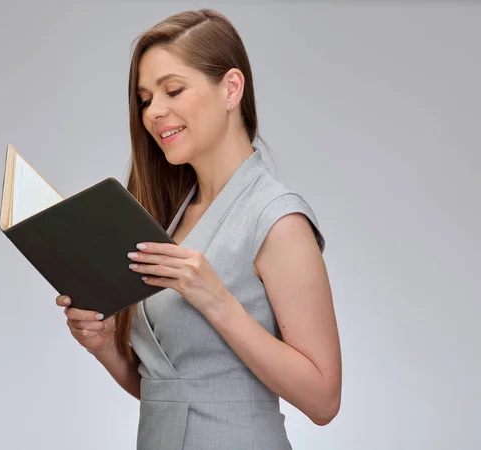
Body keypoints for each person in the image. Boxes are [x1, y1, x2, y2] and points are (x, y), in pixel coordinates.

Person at [56, 8, 342, 450]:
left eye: (173, 90)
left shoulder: (278, 220)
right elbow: (173, 393)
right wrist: (106, 348)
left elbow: (324, 401)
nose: (154, 112)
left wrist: (218, 303)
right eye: (146, 98)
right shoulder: (170, 218)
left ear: (231, 88)